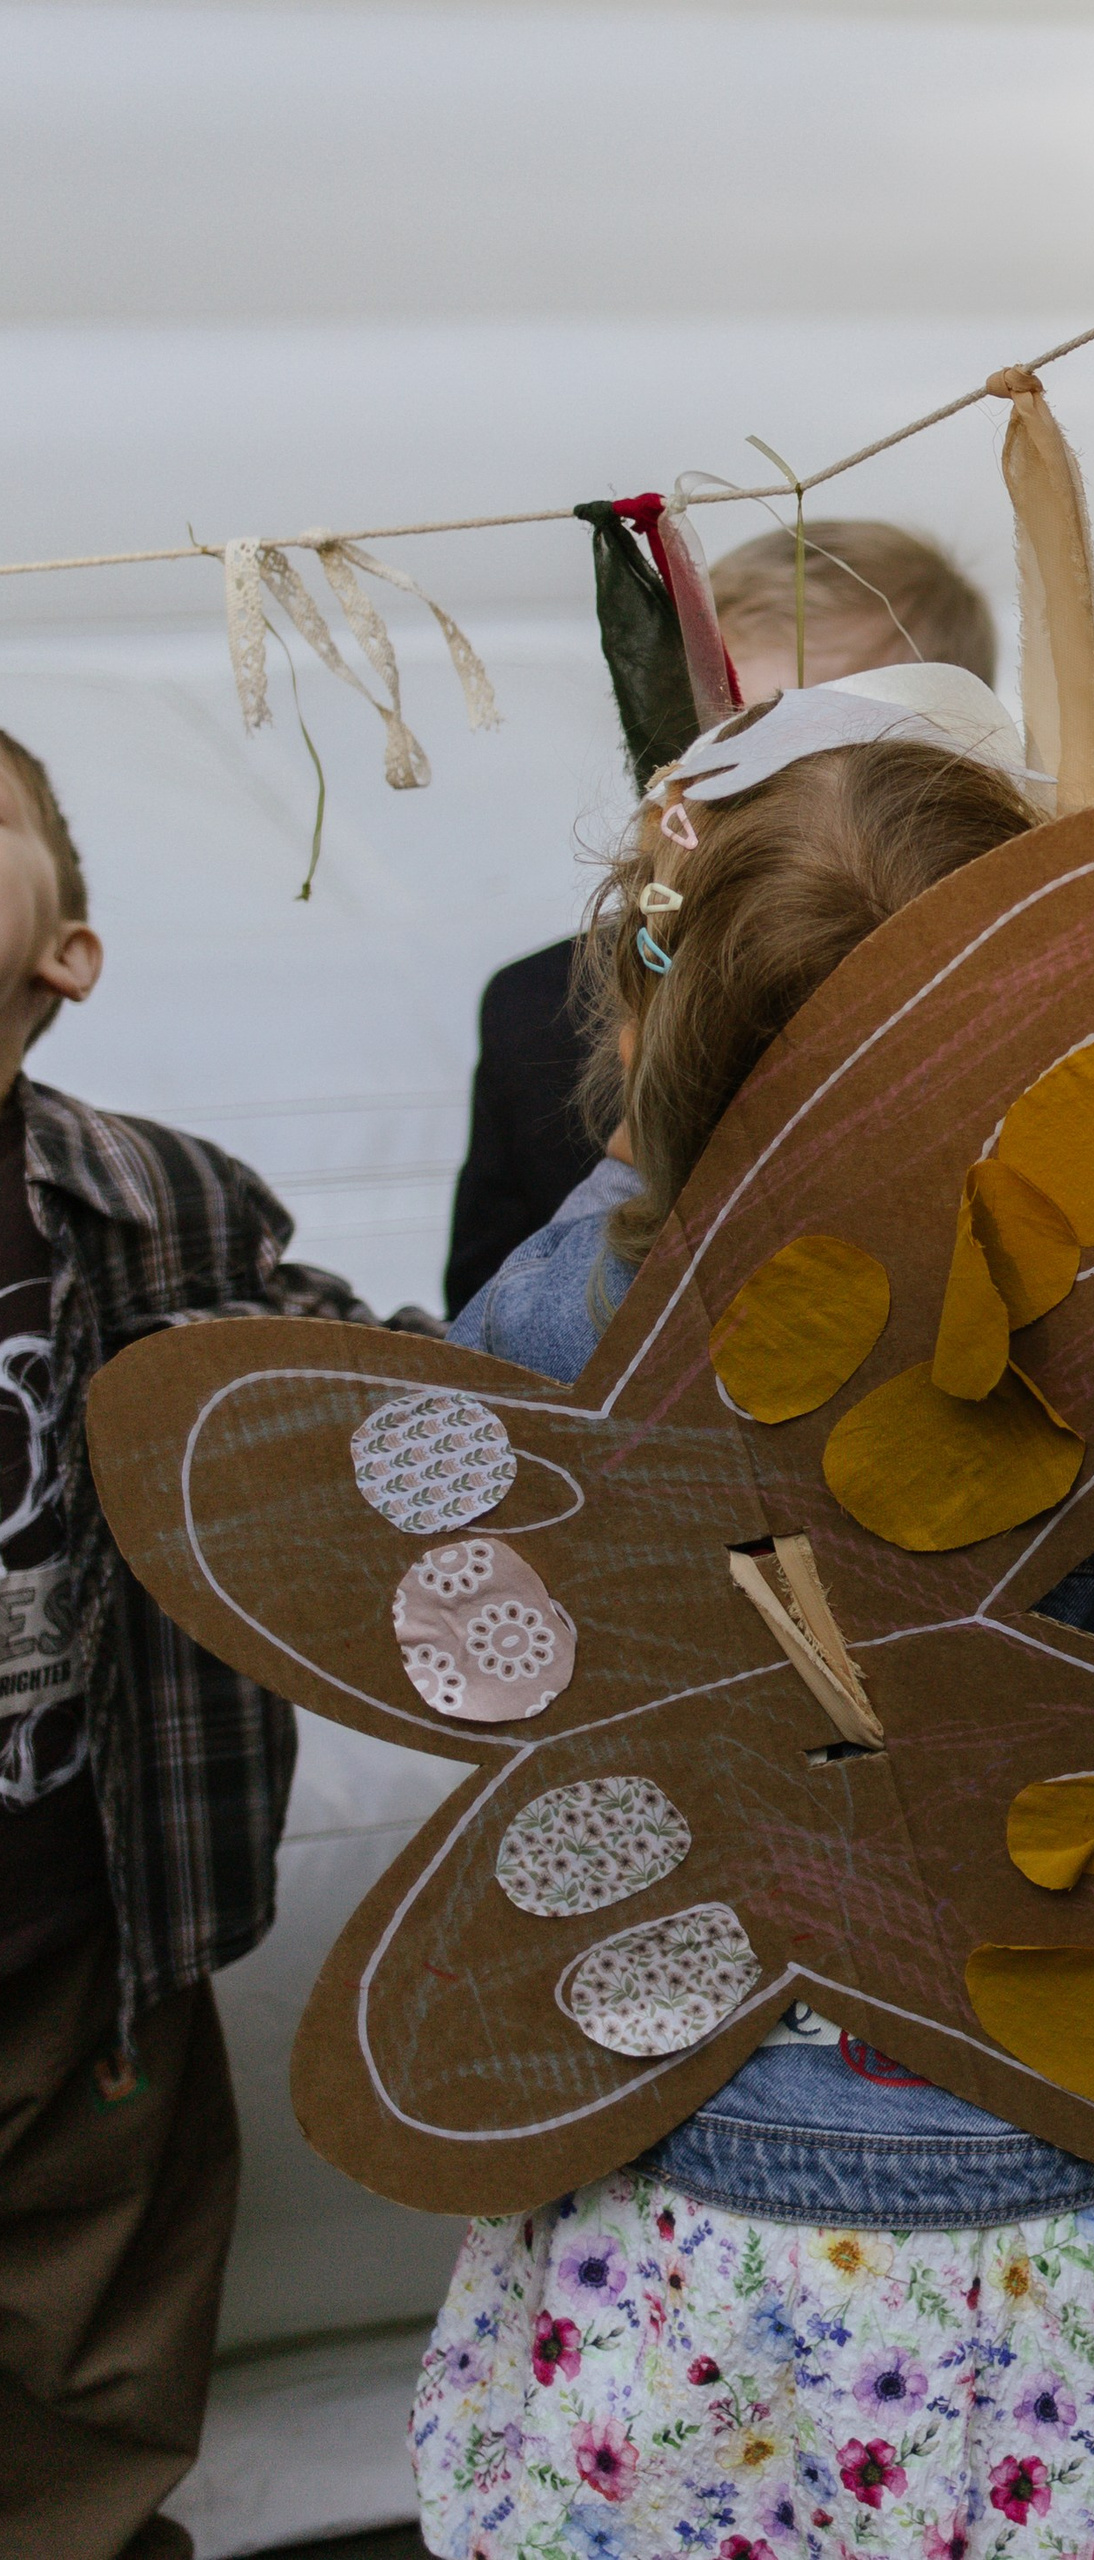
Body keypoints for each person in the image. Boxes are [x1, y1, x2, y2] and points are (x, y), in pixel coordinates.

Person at [410, 666, 1094, 2560]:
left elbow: (479, 1708)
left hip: (675, 2220)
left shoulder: (545, 1322)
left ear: (652, 1019)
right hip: (1064, 2214)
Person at [0, 730, 402, 2560]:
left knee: (95, 2321)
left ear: (63, 953)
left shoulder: (160, 1204)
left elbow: (337, 1398)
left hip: (79, 1913)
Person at [441, 520, 997, 1315]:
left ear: (961, 754)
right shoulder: (537, 1010)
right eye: (716, 735)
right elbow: (486, 1354)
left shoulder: (1075, 983)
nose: (747, 787)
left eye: (809, 742)